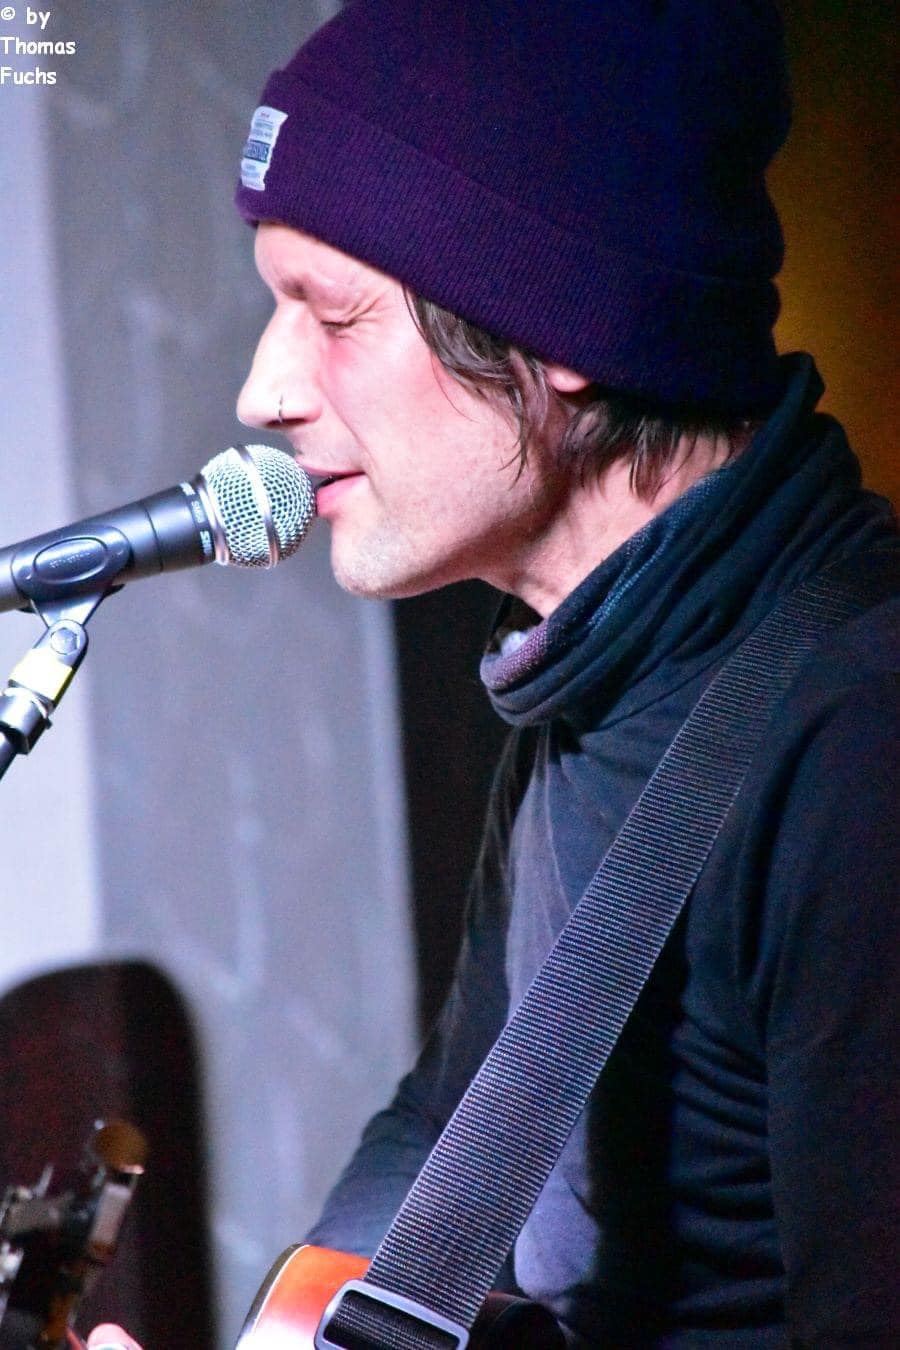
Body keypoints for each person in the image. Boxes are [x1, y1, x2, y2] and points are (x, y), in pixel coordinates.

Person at [89, 1, 898, 1346]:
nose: (262, 390)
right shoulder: (587, 672)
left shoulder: (857, 739)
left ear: (556, 322)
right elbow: (450, 1117)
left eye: (333, 313)